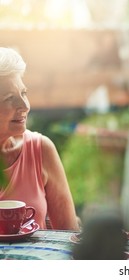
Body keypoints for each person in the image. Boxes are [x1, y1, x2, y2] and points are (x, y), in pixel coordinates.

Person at [0, 47, 79, 231]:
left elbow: (69, 235)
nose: (25, 106)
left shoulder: (40, 149)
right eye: (10, 98)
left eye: (24, 93)